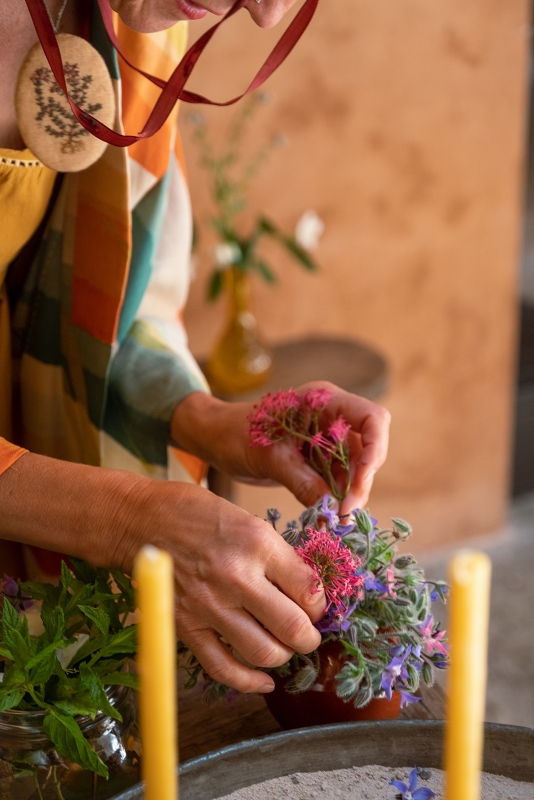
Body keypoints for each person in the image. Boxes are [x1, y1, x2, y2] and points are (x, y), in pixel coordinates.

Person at [0, 0, 391, 695]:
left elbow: (115, 302)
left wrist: (211, 422)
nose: (267, 16)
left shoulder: (135, 29)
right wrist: (123, 519)